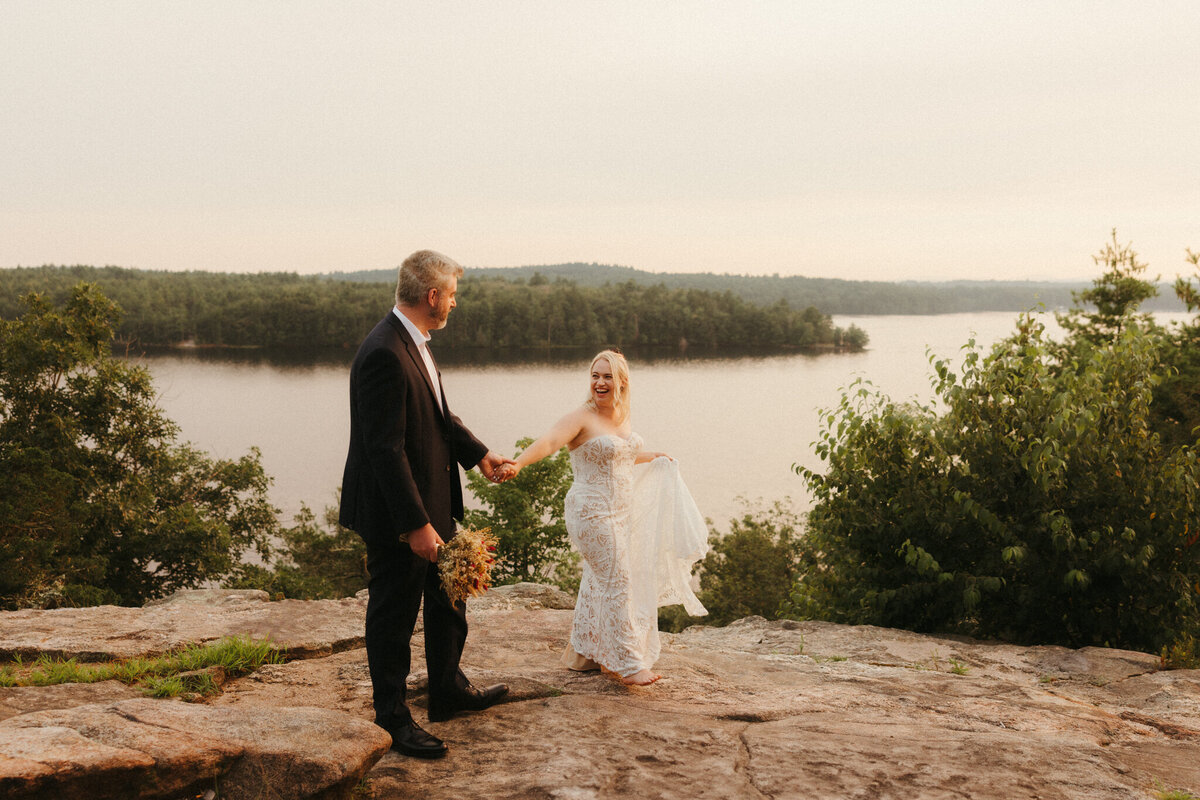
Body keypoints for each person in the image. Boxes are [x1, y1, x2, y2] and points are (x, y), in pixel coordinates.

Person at [339, 249, 515, 759]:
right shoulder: (383, 353)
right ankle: (392, 718)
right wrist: (415, 524)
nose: (455, 304)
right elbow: (383, 449)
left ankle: (447, 689)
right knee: (393, 615)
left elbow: (436, 414)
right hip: (397, 513)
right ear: (432, 296)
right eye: (452, 295)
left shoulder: (414, 341)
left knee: (448, 597)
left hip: (432, 496)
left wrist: (478, 455)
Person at [496, 350, 708, 686]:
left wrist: (655, 456)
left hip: (621, 512)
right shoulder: (581, 417)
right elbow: (550, 441)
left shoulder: (621, 416)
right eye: (595, 375)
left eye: (607, 376)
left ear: (622, 382)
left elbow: (620, 454)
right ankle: (627, 662)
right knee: (618, 580)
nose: (600, 382)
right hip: (590, 512)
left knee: (598, 581)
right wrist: (519, 463)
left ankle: (586, 654)